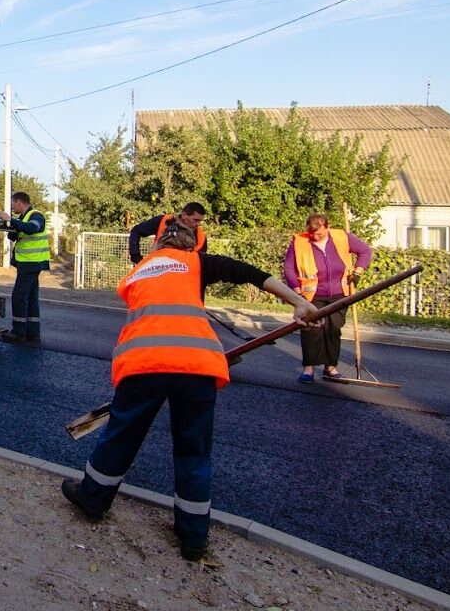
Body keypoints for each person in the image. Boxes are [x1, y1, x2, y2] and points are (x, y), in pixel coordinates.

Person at [61, 220, 315, 561]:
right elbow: (251, 274)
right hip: (197, 365)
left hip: (144, 363)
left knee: (122, 435)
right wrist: (298, 302)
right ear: (192, 247)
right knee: (194, 450)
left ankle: (93, 498)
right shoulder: (198, 264)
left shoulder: (137, 273)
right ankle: (193, 536)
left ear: (156, 246)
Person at [283, 213, 372, 383]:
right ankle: (308, 368)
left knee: (333, 330)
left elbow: (365, 251)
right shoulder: (299, 242)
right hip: (311, 296)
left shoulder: (341, 237)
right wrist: (297, 292)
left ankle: (330, 367)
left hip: (339, 294)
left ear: (327, 228)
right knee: (311, 330)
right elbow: (289, 269)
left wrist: (358, 271)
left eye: (320, 234)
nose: (315, 237)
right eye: (312, 234)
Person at [0, 191, 49, 343]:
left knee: (19, 297)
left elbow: (32, 228)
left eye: (12, 204)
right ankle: (32, 333)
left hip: (31, 263)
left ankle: (18, 333)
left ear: (19, 202)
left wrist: (10, 219)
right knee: (30, 298)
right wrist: (7, 225)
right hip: (29, 263)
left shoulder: (36, 215)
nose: (12, 207)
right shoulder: (23, 218)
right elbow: (14, 235)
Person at [128, 203, 208, 264]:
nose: (198, 224)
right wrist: (136, 256)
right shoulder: (164, 221)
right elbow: (136, 231)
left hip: (182, 279)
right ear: (184, 215)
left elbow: (200, 265)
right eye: (195, 220)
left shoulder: (201, 238)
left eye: (200, 221)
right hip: (157, 271)